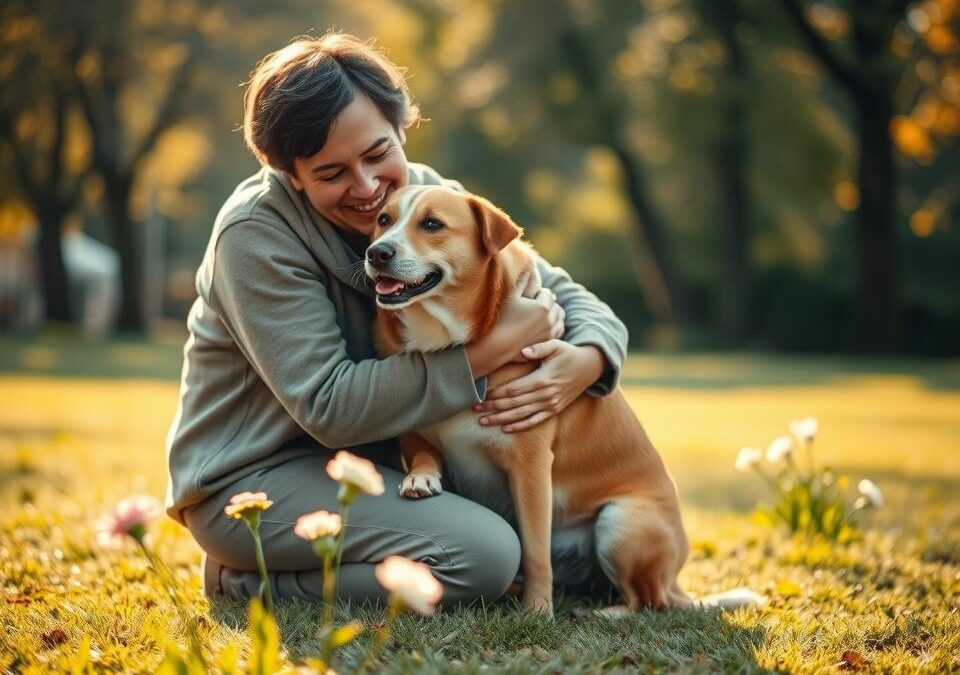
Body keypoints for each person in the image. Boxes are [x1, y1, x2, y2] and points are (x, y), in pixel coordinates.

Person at [165, 32, 628, 606]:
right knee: (483, 558)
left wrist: (586, 362)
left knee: (497, 545)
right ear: (291, 175)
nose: (366, 188)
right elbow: (330, 406)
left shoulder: (425, 197)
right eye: (331, 173)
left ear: (401, 129)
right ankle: (244, 579)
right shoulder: (254, 237)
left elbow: (563, 291)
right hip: (254, 482)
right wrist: (490, 350)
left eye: (377, 153)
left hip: (376, 468)